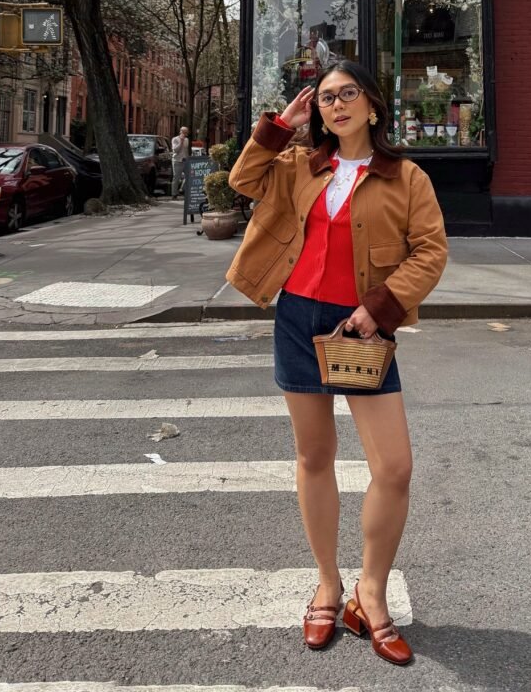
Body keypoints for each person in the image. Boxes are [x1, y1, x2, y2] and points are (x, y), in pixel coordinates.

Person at [226, 61, 447, 665]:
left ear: (372, 106)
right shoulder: (299, 164)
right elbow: (243, 181)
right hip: (298, 319)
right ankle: (328, 581)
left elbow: (431, 251)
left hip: (363, 326)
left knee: (394, 467)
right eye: (326, 98)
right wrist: (279, 126)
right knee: (314, 455)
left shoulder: (407, 177)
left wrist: (380, 308)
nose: (336, 105)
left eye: (348, 94)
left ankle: (368, 592)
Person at [171, 126, 189, 199]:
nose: (184, 134)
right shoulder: (175, 139)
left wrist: (188, 158)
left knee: (188, 176)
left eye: (186, 132)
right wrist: (181, 142)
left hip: (185, 160)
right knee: (176, 178)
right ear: (180, 131)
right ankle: (174, 194)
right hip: (177, 160)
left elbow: (186, 150)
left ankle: (182, 189)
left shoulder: (187, 140)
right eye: (183, 132)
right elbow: (175, 150)